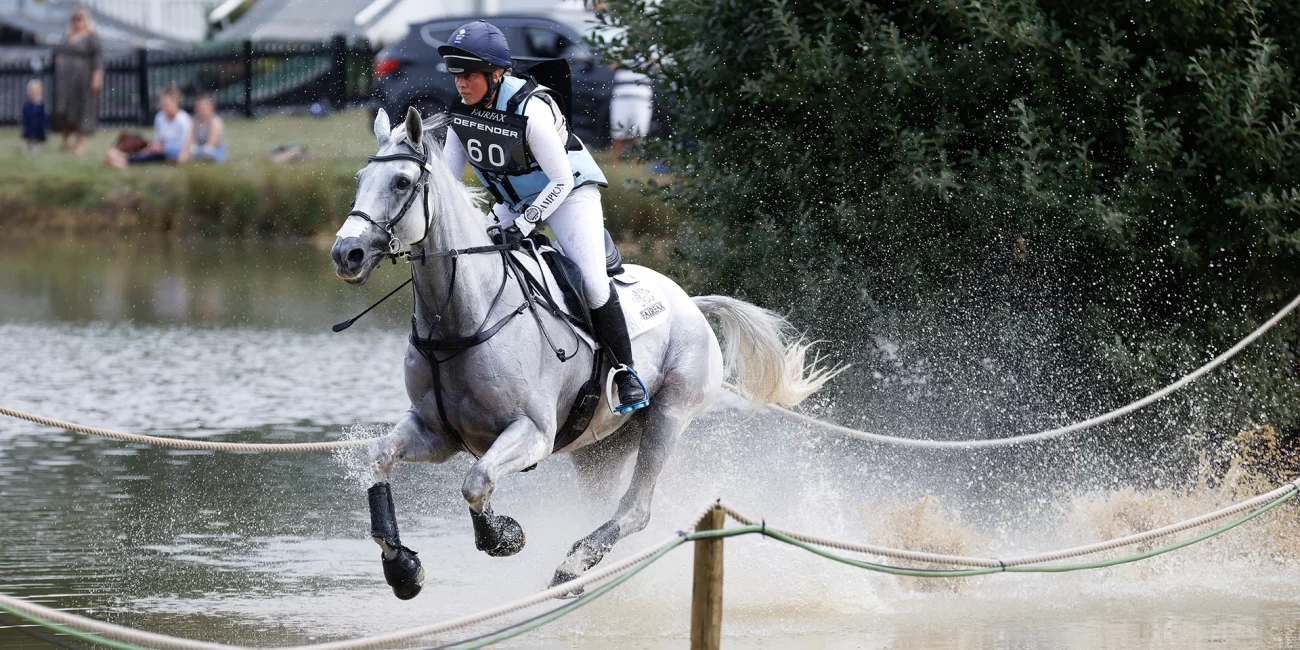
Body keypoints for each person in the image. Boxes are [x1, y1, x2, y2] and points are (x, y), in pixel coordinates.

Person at [437, 20, 649, 414]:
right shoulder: (461, 114)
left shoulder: (530, 110)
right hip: (515, 200)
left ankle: (625, 372)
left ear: (496, 73)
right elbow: (447, 185)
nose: (461, 84)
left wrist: (526, 221)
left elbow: (561, 179)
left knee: (592, 283)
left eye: (468, 76)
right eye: (456, 76)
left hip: (568, 195)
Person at [52, 8, 102, 155]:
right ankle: (65, 141)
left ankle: (80, 143)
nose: (77, 22)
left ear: (86, 20)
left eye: (80, 19)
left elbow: (98, 59)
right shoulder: (67, 36)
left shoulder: (92, 37)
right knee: (64, 109)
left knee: (83, 109)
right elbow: (58, 52)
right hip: (64, 81)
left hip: (83, 80)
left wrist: (97, 77)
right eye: (75, 19)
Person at [104, 87, 191, 168]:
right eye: (163, 105)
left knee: (155, 153)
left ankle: (124, 160)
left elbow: (185, 144)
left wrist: (165, 147)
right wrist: (156, 145)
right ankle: (124, 156)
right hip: (161, 147)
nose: (164, 108)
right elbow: (158, 137)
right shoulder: (160, 116)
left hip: (176, 149)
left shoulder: (183, 120)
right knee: (143, 144)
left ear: (176, 103)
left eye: (167, 105)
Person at [609, 62, 653, 166]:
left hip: (642, 98)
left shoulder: (651, 48)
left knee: (639, 134)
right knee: (618, 133)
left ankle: (636, 167)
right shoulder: (620, 47)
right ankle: (616, 165)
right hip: (621, 97)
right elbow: (611, 67)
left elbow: (658, 67)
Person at [179, 94, 226, 164]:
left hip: (215, 151)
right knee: (186, 150)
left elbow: (211, 144)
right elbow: (190, 140)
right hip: (201, 149)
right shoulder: (195, 121)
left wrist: (194, 151)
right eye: (198, 108)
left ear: (211, 108)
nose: (200, 111)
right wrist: (185, 151)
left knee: (206, 151)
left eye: (203, 109)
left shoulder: (215, 122)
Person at [22, 79, 48, 153]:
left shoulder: (41, 104)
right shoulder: (28, 104)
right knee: (29, 133)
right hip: (30, 123)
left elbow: (43, 116)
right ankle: (30, 144)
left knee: (37, 133)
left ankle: (36, 144)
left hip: (38, 124)